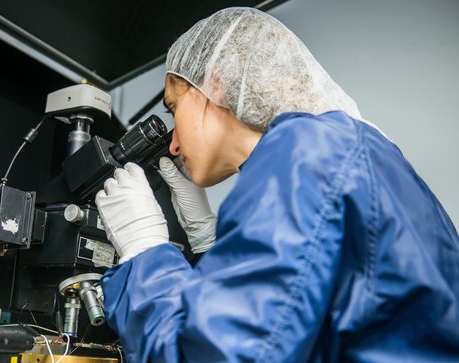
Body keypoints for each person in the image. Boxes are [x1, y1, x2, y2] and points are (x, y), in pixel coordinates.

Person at [95, 7, 459, 363]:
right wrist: (209, 244)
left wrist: (144, 253)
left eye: (173, 110)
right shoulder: (353, 151)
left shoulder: (305, 153)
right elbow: (293, 326)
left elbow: (215, 354)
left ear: (216, 84)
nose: (172, 143)